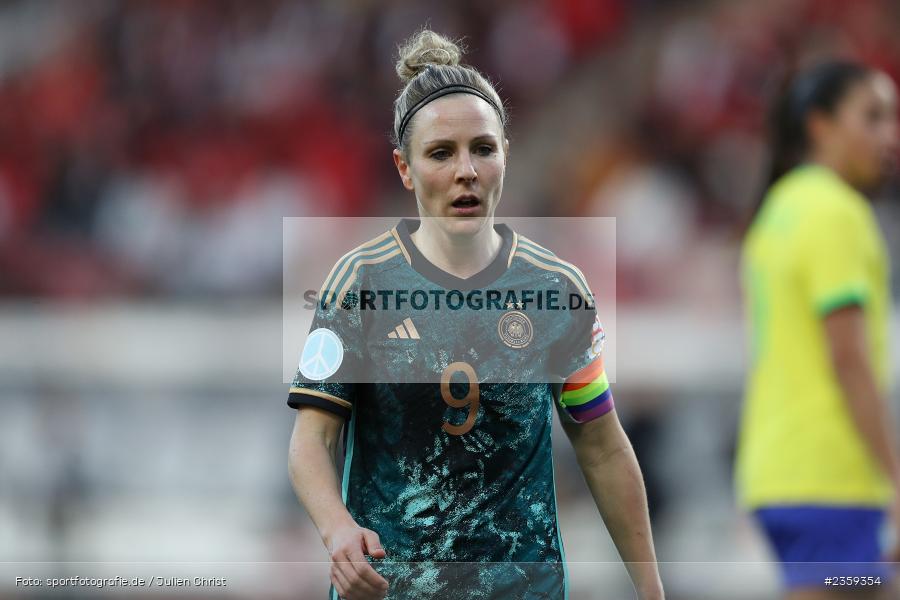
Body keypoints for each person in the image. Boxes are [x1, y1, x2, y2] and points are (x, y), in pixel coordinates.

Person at [286, 29, 663, 600]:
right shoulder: (361, 283)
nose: (466, 170)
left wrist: (651, 591)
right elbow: (311, 439)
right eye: (441, 153)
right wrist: (337, 529)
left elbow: (602, 445)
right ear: (404, 168)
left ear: (505, 154)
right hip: (394, 588)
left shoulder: (554, 289)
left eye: (482, 148)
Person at [736, 60, 900, 599]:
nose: (889, 135)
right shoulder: (836, 213)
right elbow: (848, 357)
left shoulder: (776, 211)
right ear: (820, 125)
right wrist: (896, 480)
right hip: (833, 479)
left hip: (779, 475)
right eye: (872, 117)